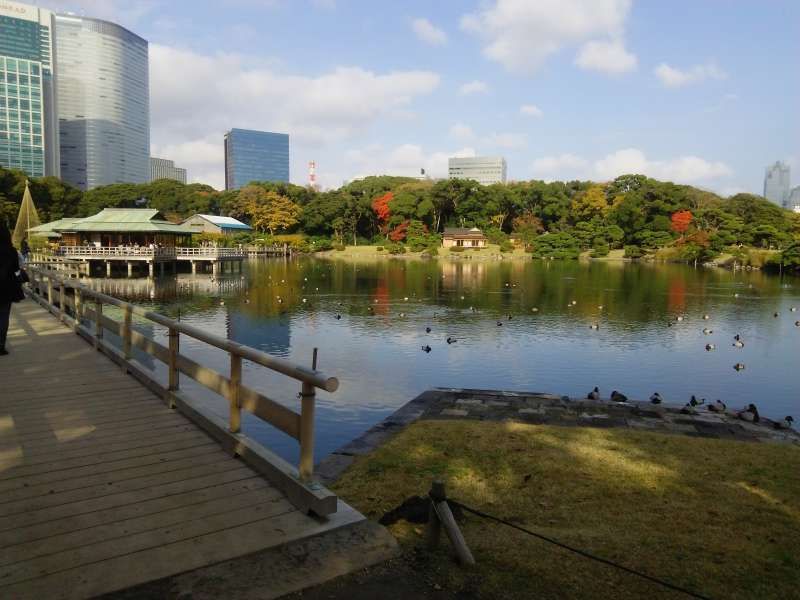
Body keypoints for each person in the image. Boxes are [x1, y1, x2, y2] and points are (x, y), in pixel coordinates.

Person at [0, 224, 26, 356]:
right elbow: (17, 268)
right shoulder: (12, 251)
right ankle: (1, 346)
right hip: (6, 287)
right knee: (4, 316)